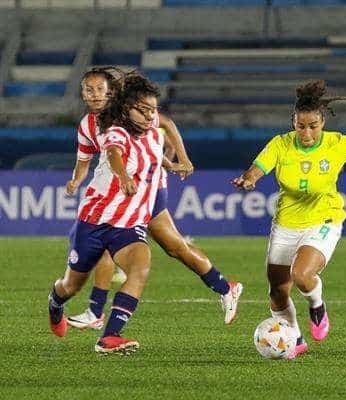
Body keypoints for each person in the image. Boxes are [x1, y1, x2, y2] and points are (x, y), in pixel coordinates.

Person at [65, 67, 243, 330]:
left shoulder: (131, 111)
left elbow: (165, 124)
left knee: (172, 247)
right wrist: (76, 180)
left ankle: (96, 312)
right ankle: (95, 311)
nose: (94, 95)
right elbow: (93, 157)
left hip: (144, 191)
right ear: (82, 94)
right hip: (118, 195)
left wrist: (179, 159)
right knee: (171, 247)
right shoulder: (89, 125)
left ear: (111, 92)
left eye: (100, 89)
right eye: (89, 90)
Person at [232, 80, 346, 359]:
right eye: (301, 126)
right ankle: (295, 338)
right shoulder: (280, 144)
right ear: (293, 124)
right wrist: (248, 179)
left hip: (324, 219)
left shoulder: (337, 143)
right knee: (277, 291)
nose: (307, 133)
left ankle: (317, 306)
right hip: (286, 224)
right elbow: (258, 167)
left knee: (302, 275)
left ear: (322, 122)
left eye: (313, 126)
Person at [48, 72, 176, 353]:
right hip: (95, 221)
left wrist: (177, 161)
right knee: (71, 285)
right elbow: (115, 153)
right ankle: (55, 303)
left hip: (128, 223)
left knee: (141, 266)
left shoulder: (153, 131)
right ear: (127, 108)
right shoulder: (115, 130)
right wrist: (123, 178)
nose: (150, 116)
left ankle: (109, 336)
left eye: (152, 111)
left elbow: (166, 125)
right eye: (143, 110)